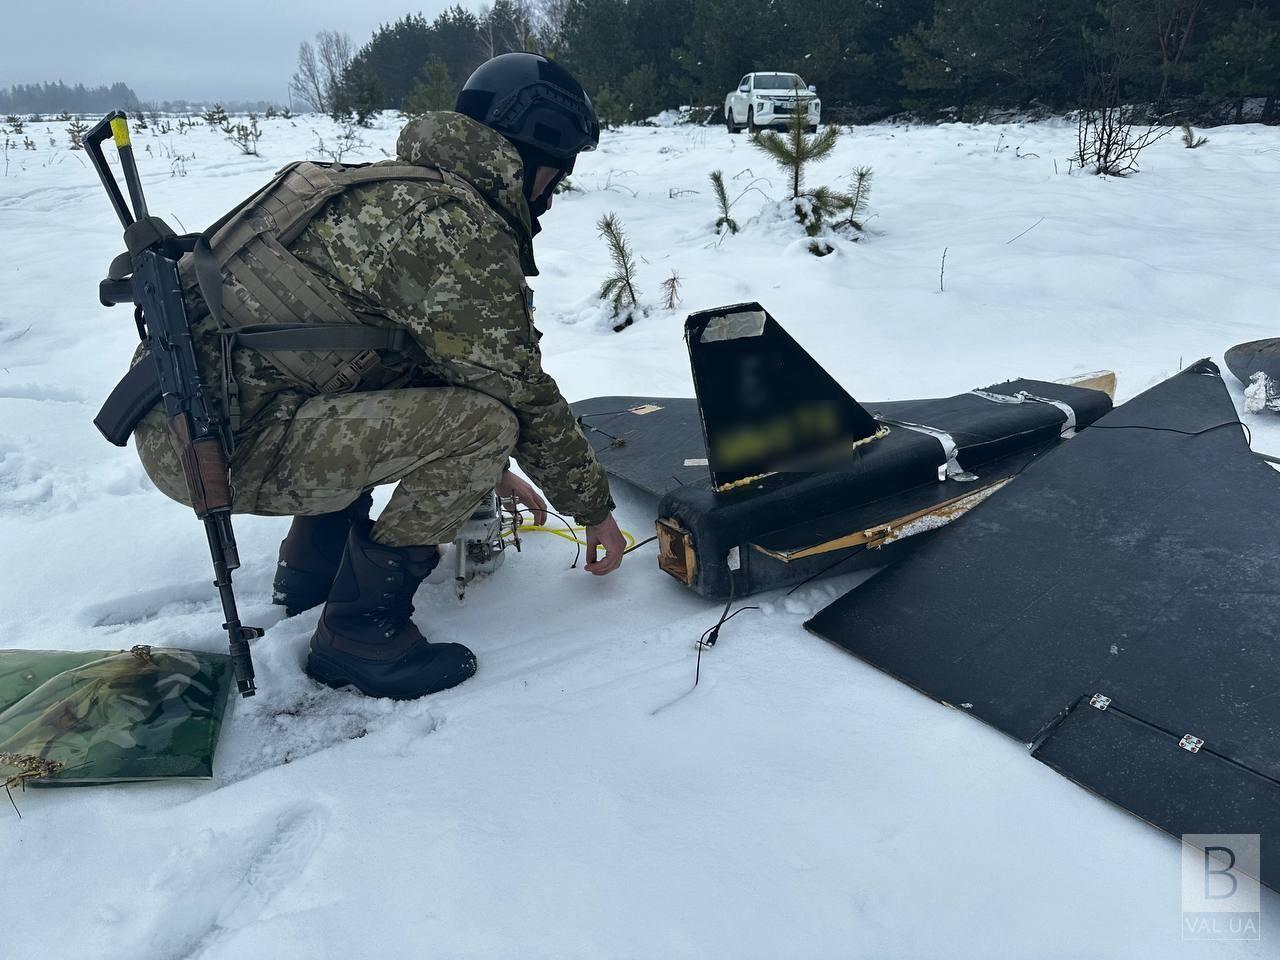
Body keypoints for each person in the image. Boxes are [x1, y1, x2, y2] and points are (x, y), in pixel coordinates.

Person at [128, 54, 624, 700]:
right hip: (212, 444)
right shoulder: (452, 228)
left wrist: (494, 472)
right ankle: (360, 632)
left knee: (443, 401)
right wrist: (592, 510)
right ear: (528, 153)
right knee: (487, 425)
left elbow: (415, 362)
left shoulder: (398, 189)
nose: (552, 197)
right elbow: (516, 388)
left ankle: (314, 570)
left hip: (193, 415)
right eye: (556, 174)